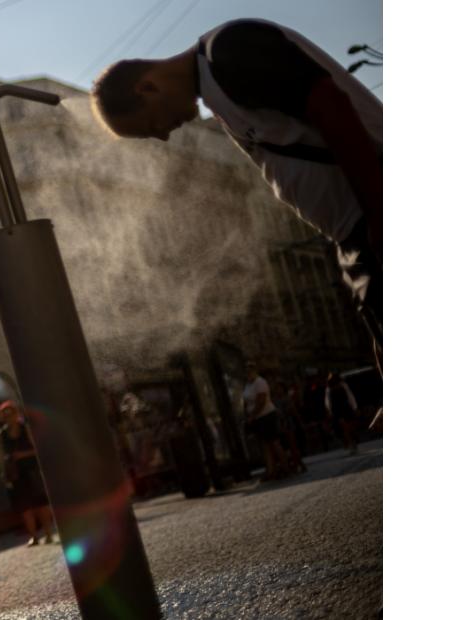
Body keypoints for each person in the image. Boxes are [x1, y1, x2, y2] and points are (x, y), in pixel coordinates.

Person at [90, 19, 382, 378]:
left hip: (370, 219)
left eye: (152, 126)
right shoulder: (218, 86)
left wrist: (378, 216)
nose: (164, 136)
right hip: (357, 230)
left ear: (147, 87)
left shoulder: (229, 52)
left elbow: (331, 107)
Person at [0, 401, 54, 547]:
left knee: (40, 503)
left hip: (32, 470)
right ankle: (33, 536)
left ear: (16, 413)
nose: (8, 417)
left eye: (10, 413)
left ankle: (48, 533)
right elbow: (0, 455)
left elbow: (38, 449)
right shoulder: (1, 435)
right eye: (5, 415)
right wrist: (4, 470)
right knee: (25, 506)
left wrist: (22, 455)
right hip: (16, 473)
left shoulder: (26, 429)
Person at [241, 365, 290, 481]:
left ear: (254, 371)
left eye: (249, 371)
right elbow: (246, 401)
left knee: (274, 442)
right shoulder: (248, 384)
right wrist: (248, 414)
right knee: (265, 445)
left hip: (266, 416)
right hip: (257, 419)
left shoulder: (260, 382)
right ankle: (271, 470)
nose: (248, 373)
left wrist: (252, 415)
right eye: (246, 371)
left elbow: (261, 401)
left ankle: (285, 467)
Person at [325, 372, 361, 455]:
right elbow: (327, 401)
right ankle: (351, 444)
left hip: (346, 408)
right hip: (337, 410)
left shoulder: (343, 385)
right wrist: (329, 411)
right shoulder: (329, 389)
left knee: (350, 427)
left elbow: (349, 395)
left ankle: (353, 442)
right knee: (344, 428)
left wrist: (354, 407)